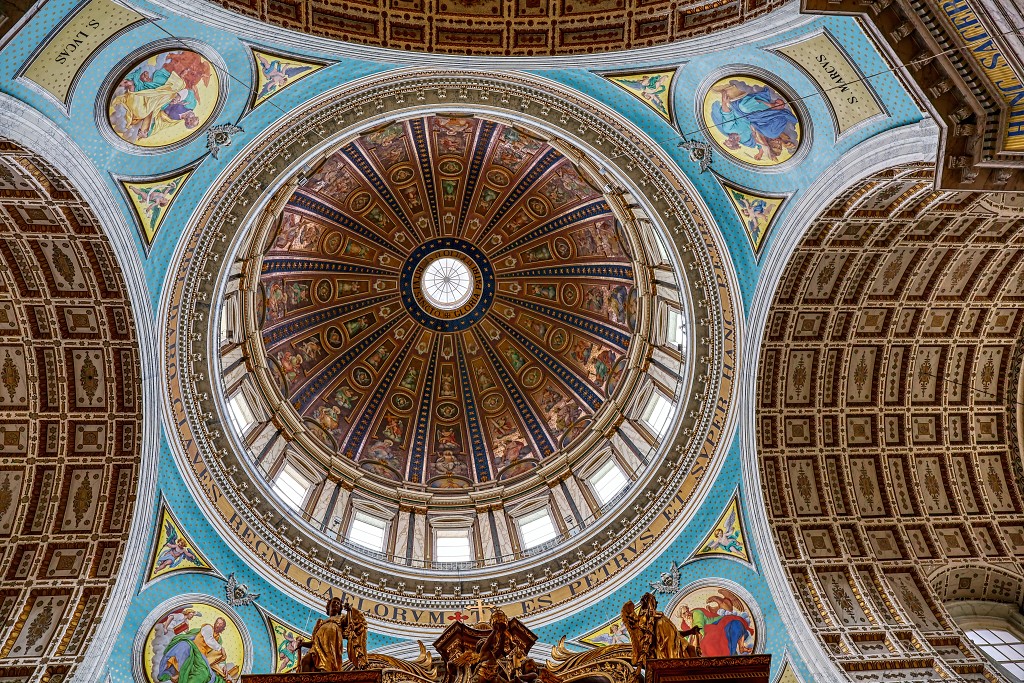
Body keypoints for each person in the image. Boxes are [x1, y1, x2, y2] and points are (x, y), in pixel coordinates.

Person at [300, 598, 348, 672]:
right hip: (317, 647)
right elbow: (314, 641)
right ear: (329, 606)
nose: (336, 604)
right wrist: (303, 644)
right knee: (305, 661)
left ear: (340, 609)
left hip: (331, 648)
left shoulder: (341, 618)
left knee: (325, 669)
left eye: (338, 603)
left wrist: (349, 611)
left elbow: (349, 623)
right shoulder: (320, 622)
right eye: (334, 602)